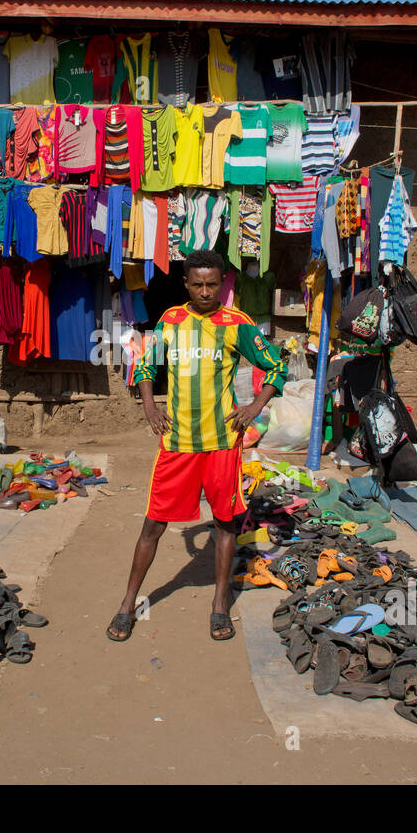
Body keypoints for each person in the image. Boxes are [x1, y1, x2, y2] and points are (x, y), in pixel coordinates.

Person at [107, 249, 286, 642]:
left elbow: (276, 365)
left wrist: (255, 406)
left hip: (222, 443)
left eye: (212, 284)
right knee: (154, 523)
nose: (205, 291)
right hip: (178, 442)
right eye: (198, 284)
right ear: (186, 284)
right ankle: (127, 604)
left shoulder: (238, 324)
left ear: (222, 284)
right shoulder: (171, 321)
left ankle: (220, 606)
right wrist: (150, 406)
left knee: (225, 523)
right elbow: (147, 366)